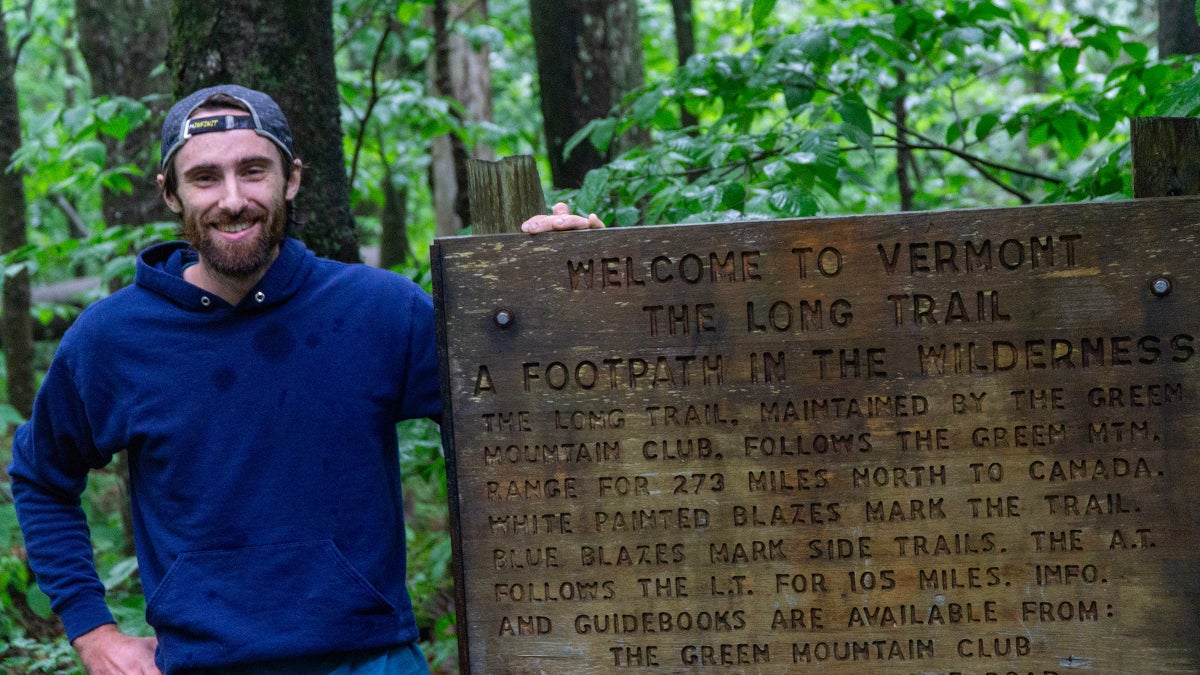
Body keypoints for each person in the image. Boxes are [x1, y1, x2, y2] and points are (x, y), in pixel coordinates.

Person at [7, 84, 602, 675]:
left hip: (374, 659)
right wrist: (93, 630)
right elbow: (40, 475)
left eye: (253, 170)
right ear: (170, 193)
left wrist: (568, 288)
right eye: (205, 178)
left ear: (290, 179)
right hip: (202, 663)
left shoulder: (380, 310)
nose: (233, 199)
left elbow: (528, 416)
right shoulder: (112, 339)